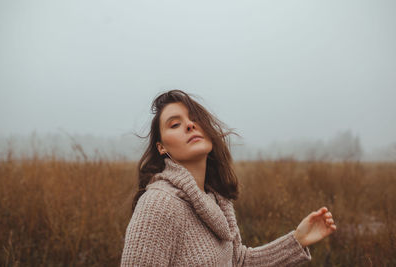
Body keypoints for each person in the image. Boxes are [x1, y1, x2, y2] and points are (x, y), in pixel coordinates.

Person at [120, 90, 337, 266]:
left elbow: (237, 261)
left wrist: (297, 240)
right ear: (161, 147)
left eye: (195, 118)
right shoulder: (159, 205)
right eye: (175, 124)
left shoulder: (215, 199)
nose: (190, 125)